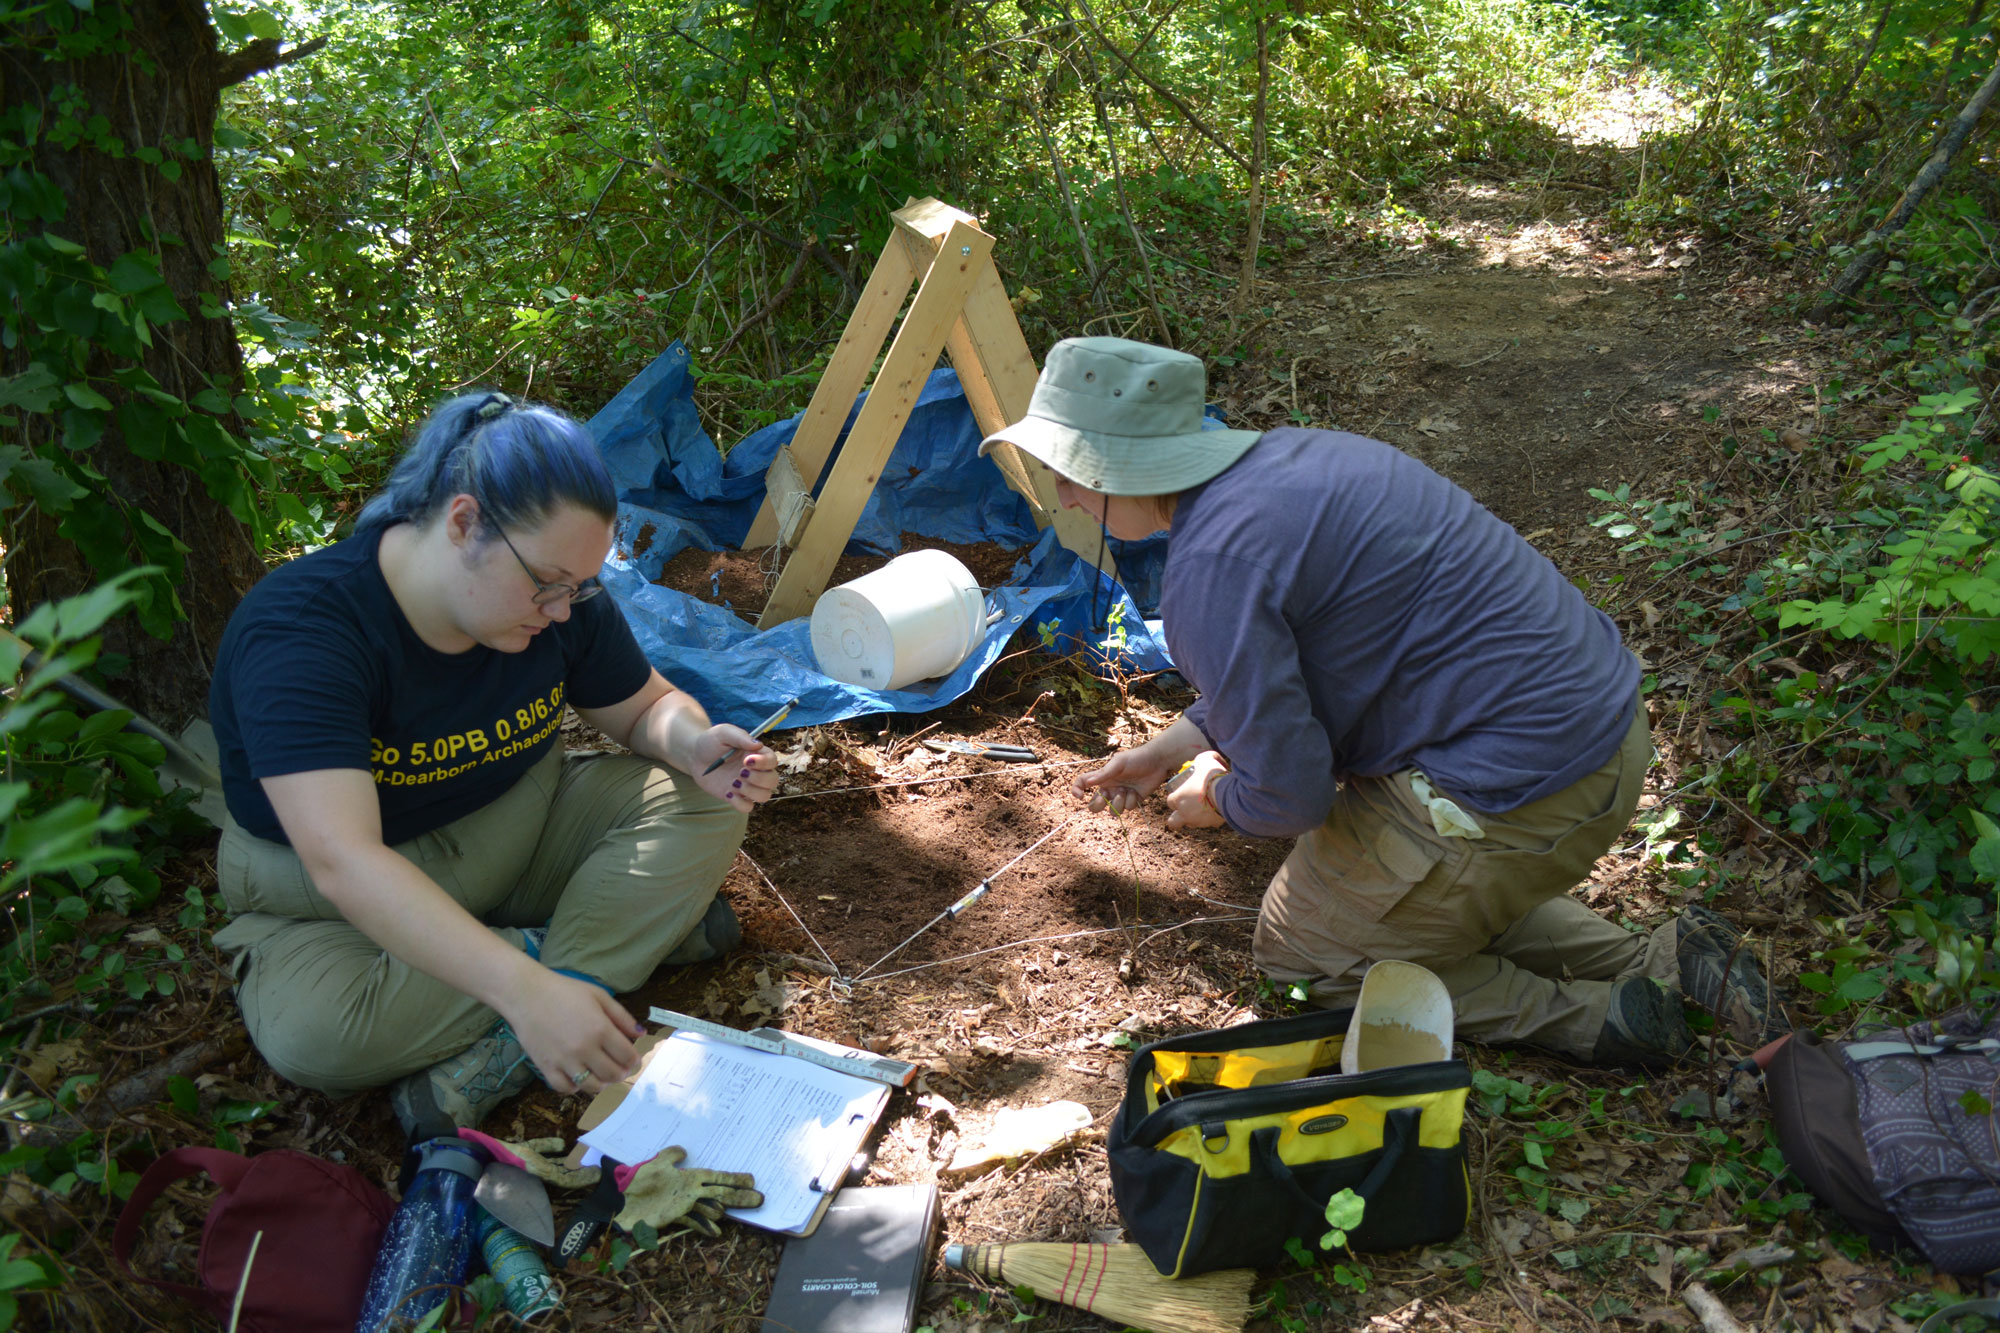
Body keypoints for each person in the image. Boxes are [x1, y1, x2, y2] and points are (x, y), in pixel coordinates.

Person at [980, 338, 1782, 1066]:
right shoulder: (1296, 460)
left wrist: (1220, 794)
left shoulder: (1210, 570)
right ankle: (1669, 957)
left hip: (1517, 789)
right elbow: (1313, 663)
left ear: (1123, 469)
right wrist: (1177, 745)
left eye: (1072, 475)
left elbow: (1293, 793)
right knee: (1403, 898)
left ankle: (1603, 1016)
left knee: (1305, 952)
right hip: (1603, 733)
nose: (1066, 497)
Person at [209, 391, 780, 1140]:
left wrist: (691, 742)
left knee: (707, 799)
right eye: (546, 582)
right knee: (319, 1035)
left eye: (578, 587)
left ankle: (540, 1013)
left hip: (520, 829)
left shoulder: (559, 598)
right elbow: (344, 859)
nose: (563, 608)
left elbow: (642, 707)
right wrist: (523, 986)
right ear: (463, 522)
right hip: (336, 907)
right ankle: (580, 959)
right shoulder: (305, 633)